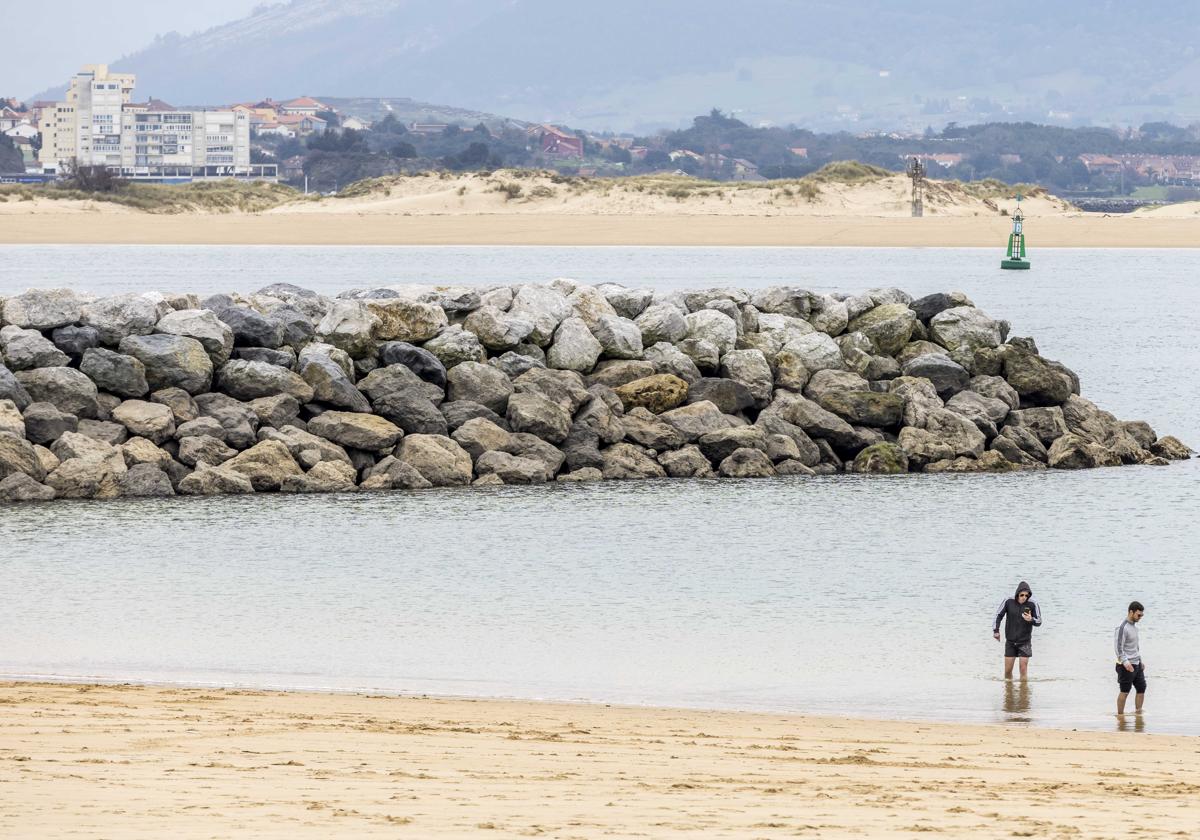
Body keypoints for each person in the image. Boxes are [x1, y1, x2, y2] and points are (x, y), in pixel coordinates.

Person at [992, 581, 1042, 679]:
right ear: (1017, 594)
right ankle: (1008, 692)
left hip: (1025, 642)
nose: (1024, 597)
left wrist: (1031, 619)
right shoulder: (1008, 601)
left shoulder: (1033, 604)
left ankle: (1024, 692)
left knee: (1023, 670)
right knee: (1007, 671)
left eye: (1027, 595)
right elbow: (998, 615)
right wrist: (996, 631)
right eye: (1022, 595)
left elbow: (1039, 621)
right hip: (1010, 642)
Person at [1115, 601, 1146, 715]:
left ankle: (1138, 713)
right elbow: (1118, 648)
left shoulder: (1135, 628)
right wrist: (1126, 662)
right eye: (1138, 615)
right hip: (1125, 665)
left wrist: (1140, 661)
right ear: (1131, 612)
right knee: (1125, 691)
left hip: (1137, 664)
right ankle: (1120, 716)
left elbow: (1135, 647)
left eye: (1141, 615)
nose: (1140, 618)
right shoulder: (1122, 627)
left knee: (1142, 688)